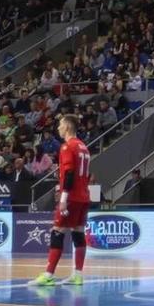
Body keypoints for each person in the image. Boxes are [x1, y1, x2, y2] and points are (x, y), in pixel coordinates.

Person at [33, 116, 93, 286]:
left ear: (67, 126)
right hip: (84, 196)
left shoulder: (67, 146)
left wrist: (63, 198)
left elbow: (69, 173)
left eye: (60, 125)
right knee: (78, 232)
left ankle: (49, 274)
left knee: (57, 231)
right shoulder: (84, 147)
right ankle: (78, 275)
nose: (58, 128)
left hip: (72, 196)